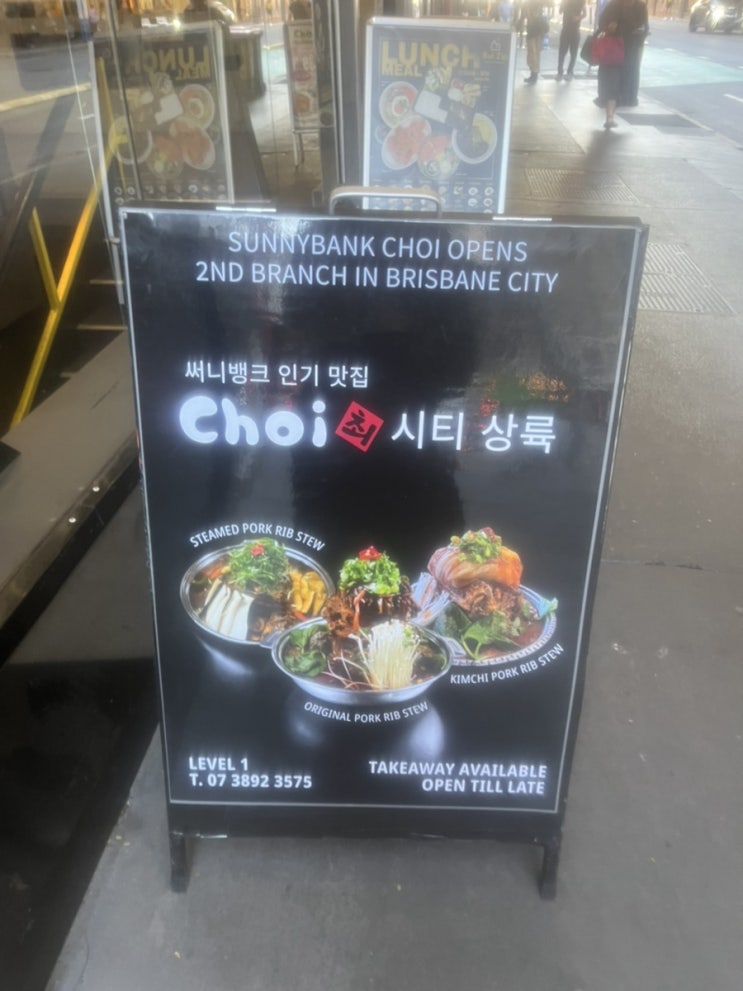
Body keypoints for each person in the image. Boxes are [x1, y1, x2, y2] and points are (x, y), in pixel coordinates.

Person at [594, 0, 648, 127]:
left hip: (628, 52)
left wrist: (640, 32)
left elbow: (644, 28)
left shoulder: (640, 7)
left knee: (621, 85)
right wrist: (609, 27)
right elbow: (602, 24)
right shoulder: (614, 5)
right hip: (613, 50)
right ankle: (609, 117)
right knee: (611, 83)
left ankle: (610, 116)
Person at [521, 0, 549, 83]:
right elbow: (523, 16)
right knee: (532, 55)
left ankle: (534, 75)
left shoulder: (535, 4)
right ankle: (533, 74)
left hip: (537, 33)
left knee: (534, 55)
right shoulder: (529, 4)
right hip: (533, 32)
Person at [556, 0, 585, 79]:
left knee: (573, 53)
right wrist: (563, 4)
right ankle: (560, 72)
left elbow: (585, 13)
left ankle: (570, 72)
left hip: (575, 30)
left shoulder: (581, 1)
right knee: (562, 52)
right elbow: (560, 11)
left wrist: (578, 18)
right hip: (565, 29)